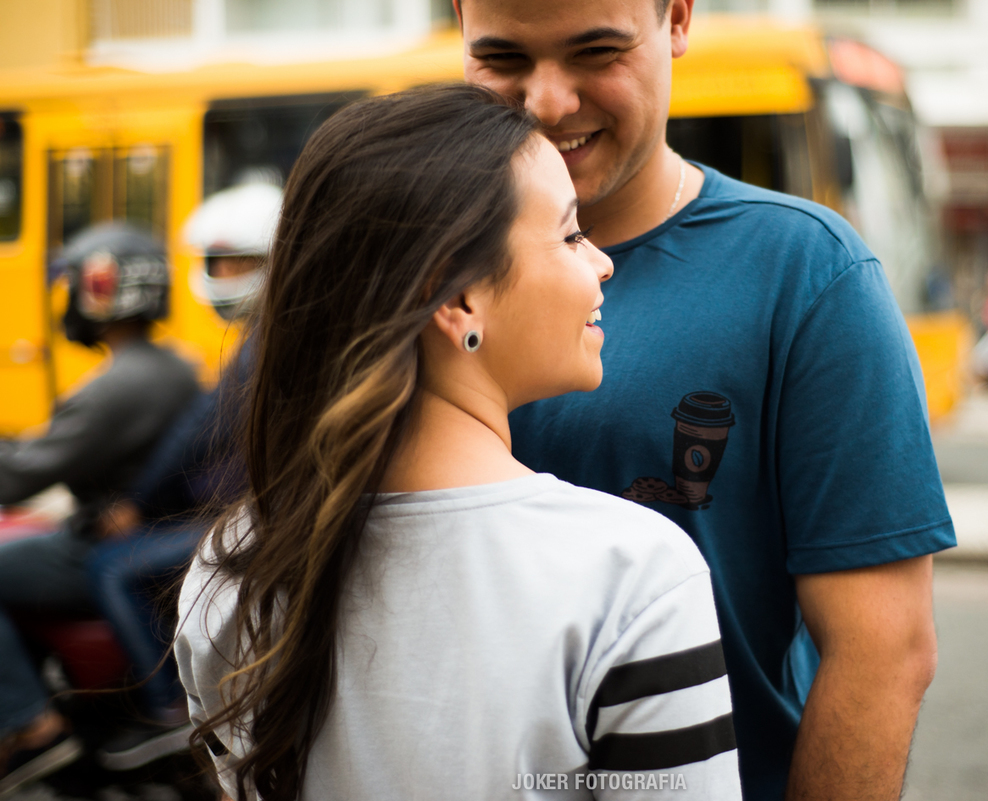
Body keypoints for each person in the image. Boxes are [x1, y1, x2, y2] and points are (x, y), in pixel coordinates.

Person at [175, 85, 742, 801]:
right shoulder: (633, 577)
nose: (600, 262)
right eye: (570, 234)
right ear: (459, 297)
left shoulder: (231, 569)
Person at [453, 1, 956, 799]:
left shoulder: (805, 275)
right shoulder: (406, 274)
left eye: (596, 51)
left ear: (678, 19)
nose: (547, 102)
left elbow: (883, 651)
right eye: (504, 59)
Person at [83, 181, 281, 772]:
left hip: (260, 517)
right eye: (215, 263)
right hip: (258, 508)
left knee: (113, 566)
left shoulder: (264, 337)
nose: (222, 274)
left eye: (236, 262)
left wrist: (137, 504)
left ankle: (169, 713)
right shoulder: (270, 330)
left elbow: (195, 431)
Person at [0, 223, 198, 795]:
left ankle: (32, 726)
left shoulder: (119, 384)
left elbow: (19, 472)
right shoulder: (172, 365)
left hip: (101, 545)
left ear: (101, 289)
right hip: (146, 535)